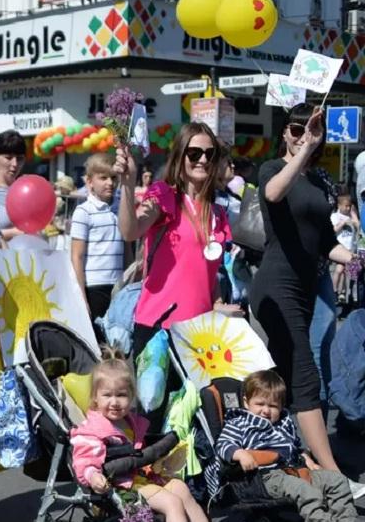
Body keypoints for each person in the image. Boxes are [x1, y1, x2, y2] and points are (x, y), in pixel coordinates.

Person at [70, 357, 246, 522]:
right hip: (121, 486)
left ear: (131, 397)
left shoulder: (129, 422)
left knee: (181, 488)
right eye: (107, 395)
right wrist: (93, 476)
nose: (114, 402)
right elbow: (84, 461)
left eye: (121, 395)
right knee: (172, 503)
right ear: (95, 397)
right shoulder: (92, 431)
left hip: (141, 477)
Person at [251, 105, 359, 481]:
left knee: (283, 379)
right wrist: (302, 152)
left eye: (309, 131)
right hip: (275, 285)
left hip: (305, 288)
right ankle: (333, 474)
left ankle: (288, 457)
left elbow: (326, 242)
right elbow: (274, 193)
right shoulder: (272, 169)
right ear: (285, 133)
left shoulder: (318, 182)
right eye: (295, 130)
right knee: (305, 375)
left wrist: (356, 259)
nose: (301, 136)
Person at [206, 370, 364, 522]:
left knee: (336, 480)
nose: (266, 410)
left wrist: (309, 462)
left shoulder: (283, 422)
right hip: (261, 477)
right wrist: (239, 453)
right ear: (246, 402)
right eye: (260, 404)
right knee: (305, 491)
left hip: (293, 470)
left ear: (281, 406)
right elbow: (223, 444)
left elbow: (295, 448)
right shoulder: (239, 422)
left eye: (273, 406)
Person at [116, 122, 240, 358]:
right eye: (194, 153)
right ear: (180, 156)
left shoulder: (218, 213)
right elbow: (130, 231)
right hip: (159, 328)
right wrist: (128, 184)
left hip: (201, 333)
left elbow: (208, 272)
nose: (202, 159)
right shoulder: (164, 194)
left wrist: (218, 304)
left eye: (209, 153)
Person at [70, 153, 124, 323]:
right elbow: (76, 256)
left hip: (118, 285)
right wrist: (81, 297)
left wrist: (128, 281)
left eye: (113, 178)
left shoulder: (121, 208)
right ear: (89, 182)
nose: (110, 183)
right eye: (103, 178)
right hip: (94, 286)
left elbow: (126, 248)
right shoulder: (83, 211)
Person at [331, 192, 359, 304]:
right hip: (340, 249)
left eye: (349, 206)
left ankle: (348, 295)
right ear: (339, 205)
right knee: (339, 270)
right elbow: (333, 230)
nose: (348, 208)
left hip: (351, 249)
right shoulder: (335, 216)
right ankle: (334, 291)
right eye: (346, 206)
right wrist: (342, 223)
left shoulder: (351, 216)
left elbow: (358, 226)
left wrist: (353, 216)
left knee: (352, 274)